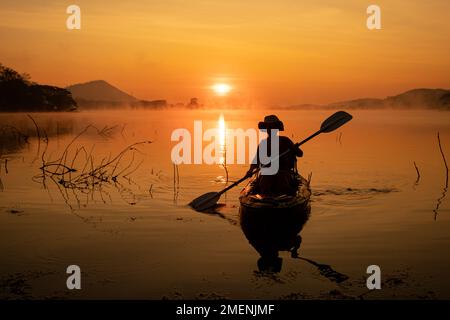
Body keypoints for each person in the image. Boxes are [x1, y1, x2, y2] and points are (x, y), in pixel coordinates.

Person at [246, 115, 303, 195]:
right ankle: (265, 198)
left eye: (273, 127)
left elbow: (300, 154)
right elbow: (256, 161)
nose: (270, 129)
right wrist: (250, 170)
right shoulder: (263, 144)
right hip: (267, 173)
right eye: (268, 127)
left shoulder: (285, 141)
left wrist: (295, 149)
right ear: (266, 130)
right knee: (265, 182)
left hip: (283, 172)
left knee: (282, 181)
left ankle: (286, 197)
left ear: (277, 129)